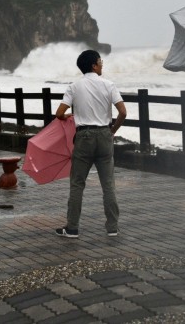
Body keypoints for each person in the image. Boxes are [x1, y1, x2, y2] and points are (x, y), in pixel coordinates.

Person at [54, 49, 127, 238]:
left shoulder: (74, 86)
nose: (102, 64)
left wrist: (70, 115)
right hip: (104, 134)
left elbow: (59, 113)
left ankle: (72, 228)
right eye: (100, 61)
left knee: (77, 183)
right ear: (94, 65)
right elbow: (123, 112)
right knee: (108, 184)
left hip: (84, 136)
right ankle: (112, 228)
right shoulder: (109, 85)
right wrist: (112, 132)